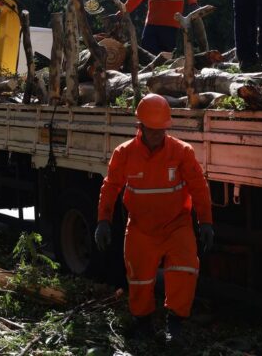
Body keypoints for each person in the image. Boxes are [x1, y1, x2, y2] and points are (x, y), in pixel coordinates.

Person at [94, 94, 214, 344]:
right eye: (152, 130)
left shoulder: (182, 152)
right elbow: (110, 186)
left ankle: (176, 324)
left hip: (176, 224)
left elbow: (199, 187)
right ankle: (143, 323)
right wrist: (103, 221)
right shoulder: (124, 153)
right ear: (141, 127)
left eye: (162, 129)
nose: (158, 135)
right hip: (141, 226)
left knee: (185, 269)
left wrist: (206, 222)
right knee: (139, 277)